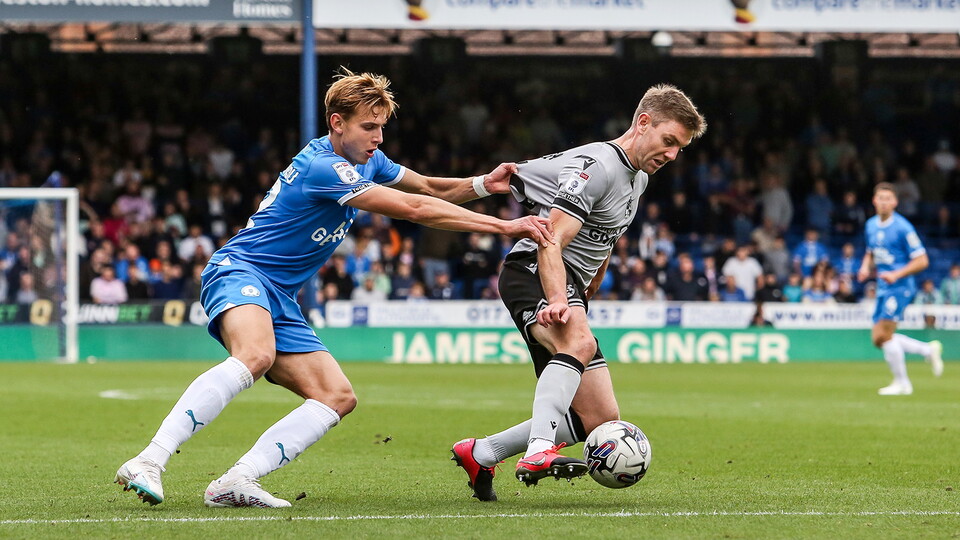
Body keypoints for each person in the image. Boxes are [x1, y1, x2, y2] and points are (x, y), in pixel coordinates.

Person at [114, 69, 553, 508]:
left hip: (280, 295)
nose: (378, 137)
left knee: (337, 396)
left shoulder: (368, 160)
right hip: (240, 270)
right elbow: (415, 208)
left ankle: (236, 480)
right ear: (336, 123)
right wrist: (504, 224)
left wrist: (482, 185)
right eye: (368, 127)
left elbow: (427, 187)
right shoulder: (324, 166)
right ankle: (148, 460)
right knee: (255, 355)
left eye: (382, 127)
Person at [451, 84, 705, 501]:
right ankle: (537, 451)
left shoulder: (637, 179)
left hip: (567, 283)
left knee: (599, 418)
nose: (673, 155)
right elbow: (551, 238)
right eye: (669, 141)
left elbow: (605, 241)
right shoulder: (598, 166)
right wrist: (557, 298)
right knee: (579, 341)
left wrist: (585, 293)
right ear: (643, 123)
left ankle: (481, 452)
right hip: (533, 269)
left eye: (680, 148)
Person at [856, 183, 943, 396]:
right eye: (880, 198)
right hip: (884, 286)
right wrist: (865, 267)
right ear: (874, 201)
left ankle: (903, 384)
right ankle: (927, 350)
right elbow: (871, 251)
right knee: (879, 338)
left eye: (888, 198)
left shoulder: (903, 227)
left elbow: (922, 260)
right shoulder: (871, 225)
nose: (884, 202)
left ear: (895, 202)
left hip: (900, 286)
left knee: (884, 335)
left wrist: (896, 274)